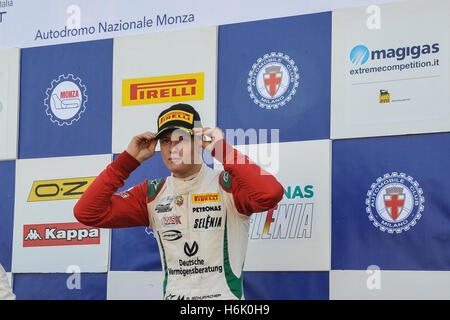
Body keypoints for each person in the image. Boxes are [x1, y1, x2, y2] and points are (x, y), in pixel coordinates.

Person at [74, 103, 284, 300]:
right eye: (165, 141)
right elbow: (87, 212)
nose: (172, 148)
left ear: (201, 142)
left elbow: (270, 193)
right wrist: (127, 160)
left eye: (181, 139)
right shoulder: (151, 194)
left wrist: (222, 150)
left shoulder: (228, 186)